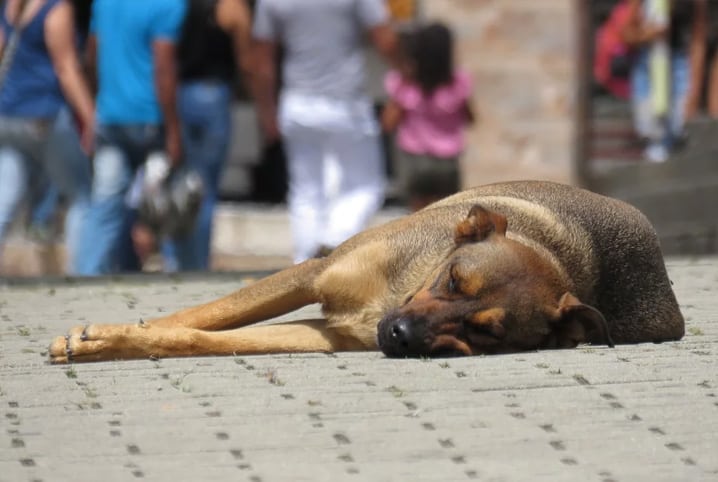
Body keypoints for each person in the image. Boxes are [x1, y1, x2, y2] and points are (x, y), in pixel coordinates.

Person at [252, 0, 397, 264]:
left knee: (305, 192)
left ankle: (304, 264)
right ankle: (335, 240)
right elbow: (385, 40)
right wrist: (408, 79)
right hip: (345, 101)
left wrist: (266, 111)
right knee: (366, 185)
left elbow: (262, 61)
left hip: (297, 101)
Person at [76, 0, 187, 275]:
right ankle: (174, 275)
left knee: (105, 205)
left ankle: (88, 275)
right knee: (164, 206)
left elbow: (92, 53)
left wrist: (96, 102)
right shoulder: (169, 5)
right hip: (149, 119)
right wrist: (174, 128)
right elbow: (164, 66)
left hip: (111, 116)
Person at [0, 0, 94, 268]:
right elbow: (66, 70)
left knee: (4, 200)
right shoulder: (55, 8)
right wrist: (91, 118)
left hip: (7, 116)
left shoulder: (11, 6)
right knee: (81, 196)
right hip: (43, 115)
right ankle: (83, 276)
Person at [162, 0, 254, 272]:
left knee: (179, 181)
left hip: (180, 94)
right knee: (204, 188)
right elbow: (246, 57)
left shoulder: (177, 6)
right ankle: (196, 264)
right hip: (213, 95)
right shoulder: (231, 6)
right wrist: (250, 93)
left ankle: (174, 258)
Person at [381, 22, 475, 212]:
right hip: (447, 163)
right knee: (447, 220)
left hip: (415, 161)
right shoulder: (457, 82)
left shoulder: (406, 85)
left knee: (418, 222)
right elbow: (470, 118)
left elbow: (388, 123)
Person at [621, 0, 707, 163]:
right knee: (650, 132)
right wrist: (647, 33)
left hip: (679, 67)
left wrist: (694, 92)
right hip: (648, 67)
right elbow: (625, 33)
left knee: (677, 131)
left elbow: (698, 40)